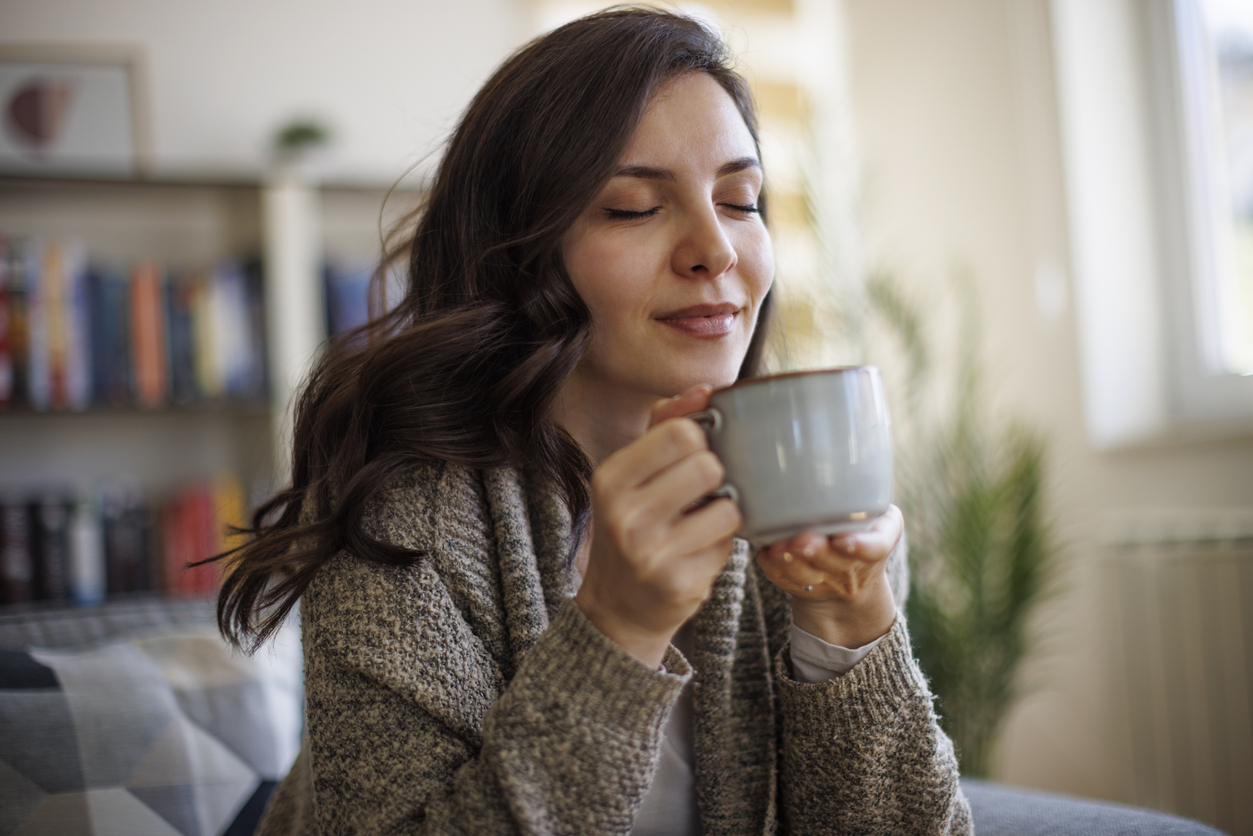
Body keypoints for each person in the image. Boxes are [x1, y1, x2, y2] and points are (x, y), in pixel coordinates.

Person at [215, 7, 973, 835]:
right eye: (632, 208)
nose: (714, 250)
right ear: (520, 253)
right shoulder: (402, 519)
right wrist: (617, 627)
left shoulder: (800, 492)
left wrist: (850, 623)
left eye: (740, 199)